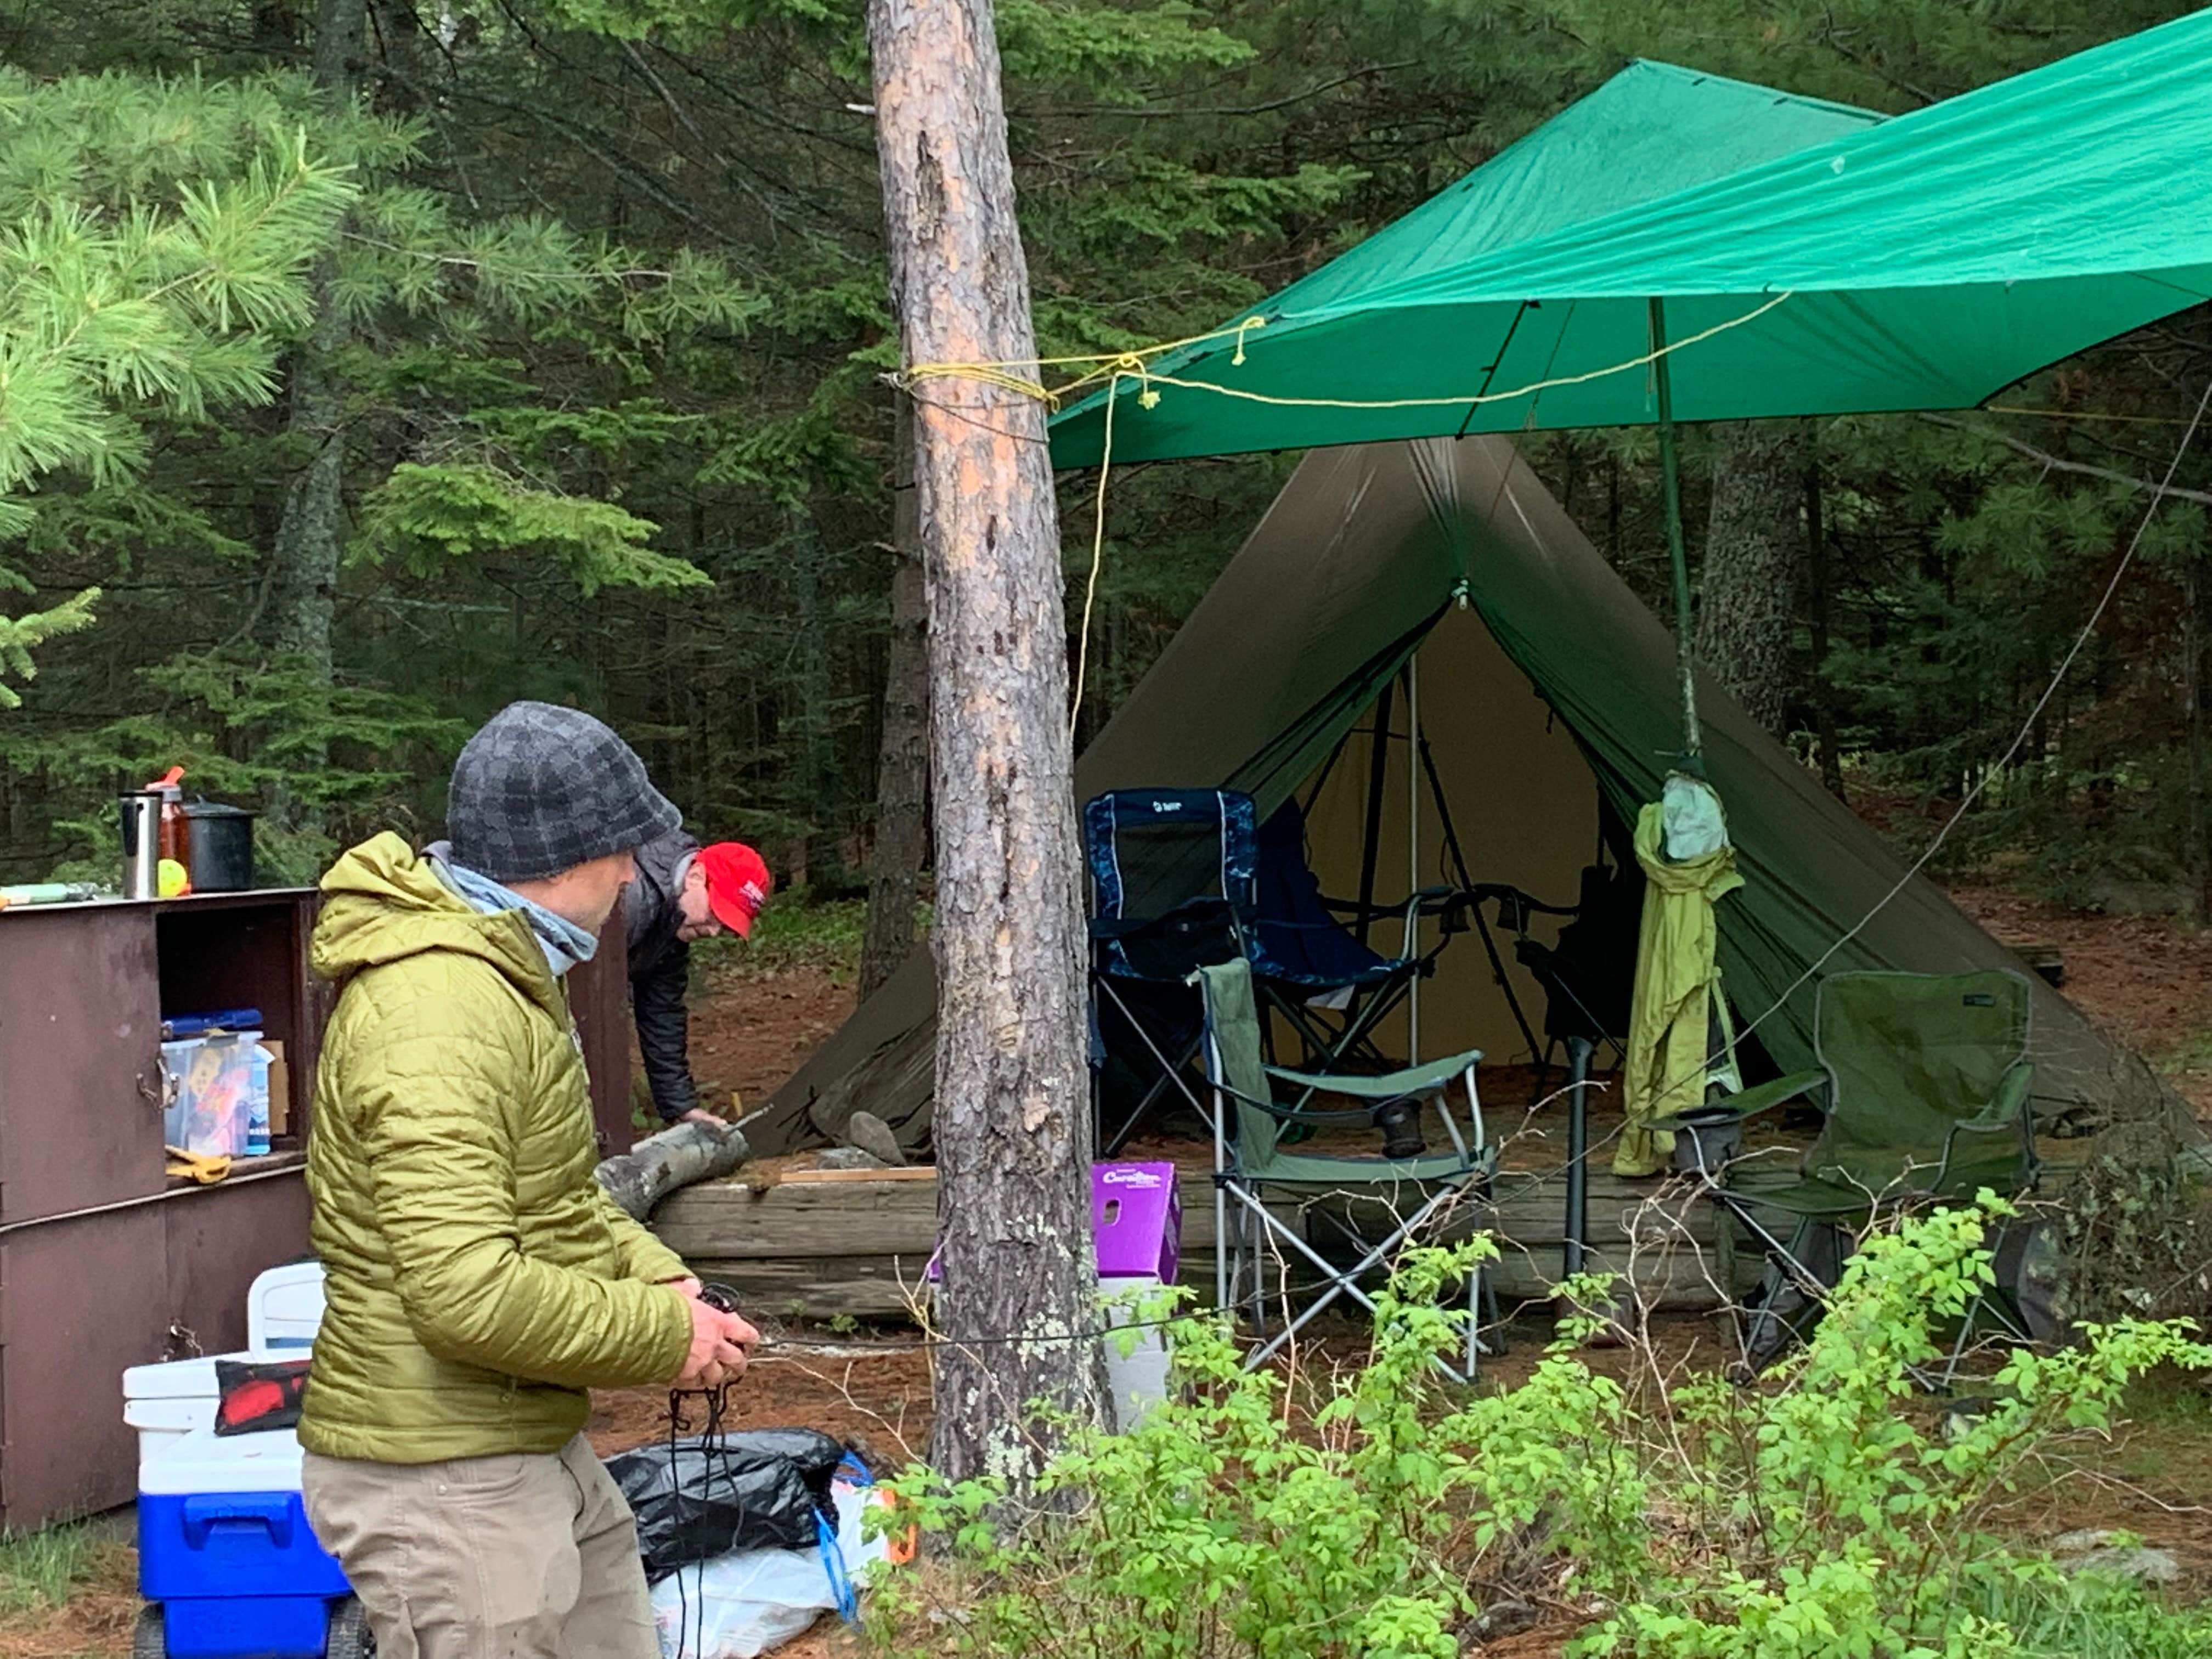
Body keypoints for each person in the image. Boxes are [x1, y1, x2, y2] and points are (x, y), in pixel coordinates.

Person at [298, 701, 759, 1659]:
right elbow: (462, 1291)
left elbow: (553, 1196)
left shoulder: (501, 972)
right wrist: (660, 1334)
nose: (637, 869)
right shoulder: (438, 1011)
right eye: (627, 846)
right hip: (442, 1468)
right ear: (571, 855)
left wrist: (657, 1277)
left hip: (519, 1429)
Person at [625, 832, 773, 1127]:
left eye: (724, 925)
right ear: (695, 876)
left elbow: (662, 1014)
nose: (713, 932)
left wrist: (682, 1108)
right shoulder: (632, 897)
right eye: (715, 913)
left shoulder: (674, 926)